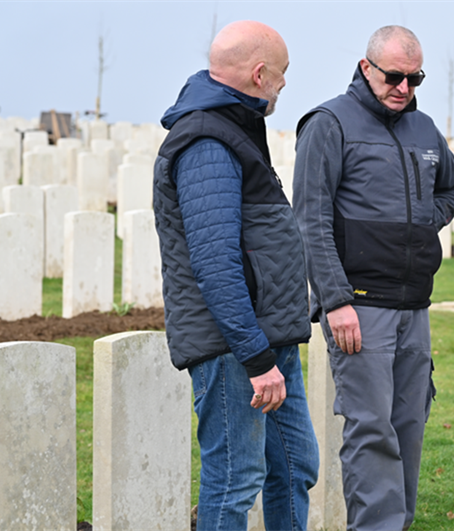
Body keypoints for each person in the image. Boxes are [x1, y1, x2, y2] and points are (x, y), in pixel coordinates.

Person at [292, 25, 454, 531]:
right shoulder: (329, 123)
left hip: (414, 302)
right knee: (372, 431)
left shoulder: (423, 127)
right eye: (395, 76)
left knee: (408, 427)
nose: (404, 89)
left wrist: (420, 223)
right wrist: (335, 300)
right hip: (359, 305)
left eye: (416, 79)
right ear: (367, 68)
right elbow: (310, 219)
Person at [153, 20, 318, 531]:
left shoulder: (235, 127)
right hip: (236, 349)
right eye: (283, 73)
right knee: (234, 480)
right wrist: (255, 357)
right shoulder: (207, 140)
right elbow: (214, 261)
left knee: (294, 466)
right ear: (259, 73)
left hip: (267, 339)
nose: (285, 84)